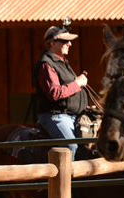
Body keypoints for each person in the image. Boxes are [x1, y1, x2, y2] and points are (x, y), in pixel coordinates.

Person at [34, 21, 88, 159]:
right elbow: (55, 93)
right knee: (71, 146)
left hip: (71, 115)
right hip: (55, 116)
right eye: (65, 41)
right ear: (52, 43)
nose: (69, 44)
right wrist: (77, 83)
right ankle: (67, 180)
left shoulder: (62, 62)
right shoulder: (46, 64)